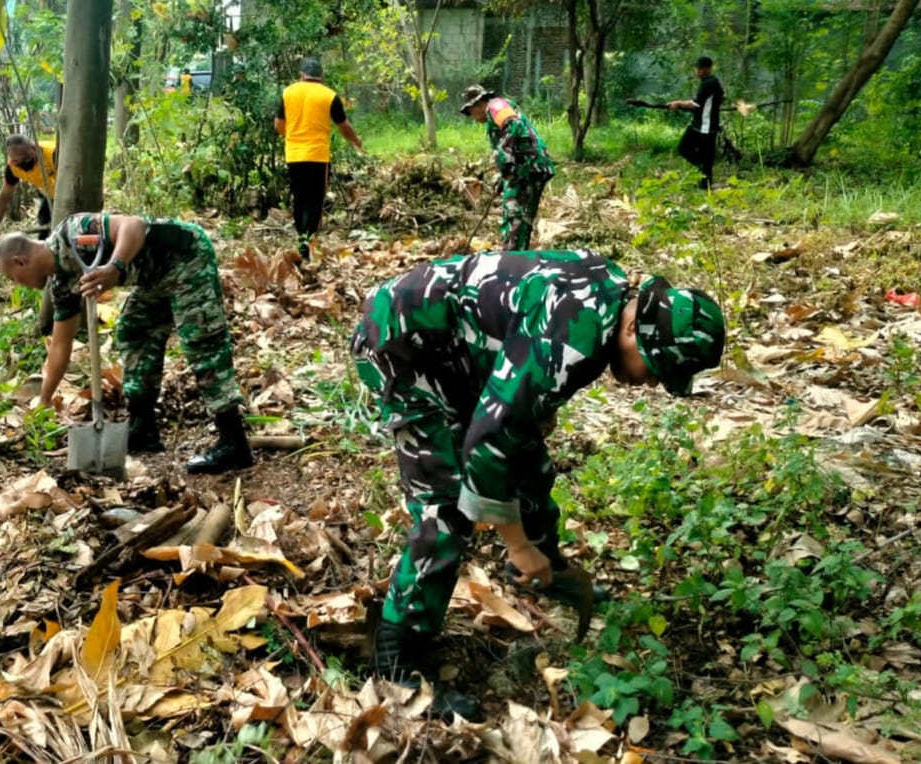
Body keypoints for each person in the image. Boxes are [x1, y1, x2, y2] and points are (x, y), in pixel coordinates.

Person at [351, 249, 725, 720]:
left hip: (457, 351)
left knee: (529, 462)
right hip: (401, 346)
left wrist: (534, 539)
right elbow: (487, 445)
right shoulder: (578, 334)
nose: (650, 382)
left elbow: (519, 411)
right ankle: (396, 662)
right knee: (444, 509)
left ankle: (548, 572)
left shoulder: (608, 299)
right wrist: (517, 544)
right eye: (654, 366)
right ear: (633, 330)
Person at [0, 214, 255, 475]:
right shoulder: (62, 283)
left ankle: (233, 440)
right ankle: (143, 427)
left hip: (186, 255)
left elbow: (134, 225)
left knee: (202, 342)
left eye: (15, 278)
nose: (20, 285)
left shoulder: (75, 233)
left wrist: (114, 267)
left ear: (20, 261)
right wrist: (44, 399)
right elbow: (61, 346)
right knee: (134, 330)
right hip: (155, 276)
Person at [274, 57, 362, 262]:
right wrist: (357, 142)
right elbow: (344, 126)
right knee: (314, 201)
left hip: (294, 155)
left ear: (301, 75)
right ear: (321, 77)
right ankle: (308, 243)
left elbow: (278, 125)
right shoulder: (329, 95)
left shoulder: (288, 92)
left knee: (300, 198)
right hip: (317, 156)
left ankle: (301, 239)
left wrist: (294, 137)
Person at [457, 85, 556, 251]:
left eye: (470, 112)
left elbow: (513, 124)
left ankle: (510, 262)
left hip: (527, 168)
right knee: (523, 219)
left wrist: (504, 160)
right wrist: (504, 177)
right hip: (532, 168)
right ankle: (520, 260)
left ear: (478, 104)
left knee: (513, 217)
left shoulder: (496, 105)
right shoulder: (495, 112)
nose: (472, 118)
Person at [667, 56, 724, 190]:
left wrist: (678, 103)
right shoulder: (709, 81)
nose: (698, 71)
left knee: (705, 156)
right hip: (699, 123)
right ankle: (703, 172)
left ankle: (705, 184)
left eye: (701, 69)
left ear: (708, 69)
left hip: (707, 126)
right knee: (684, 148)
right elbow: (721, 96)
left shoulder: (709, 82)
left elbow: (695, 104)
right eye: (697, 68)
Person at [0, 134, 57, 240]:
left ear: (33, 150)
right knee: (45, 230)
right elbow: (3, 197)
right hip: (48, 194)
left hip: (69, 191)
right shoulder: (13, 167)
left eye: (22, 159)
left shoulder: (53, 154)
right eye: (13, 160)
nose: (16, 163)